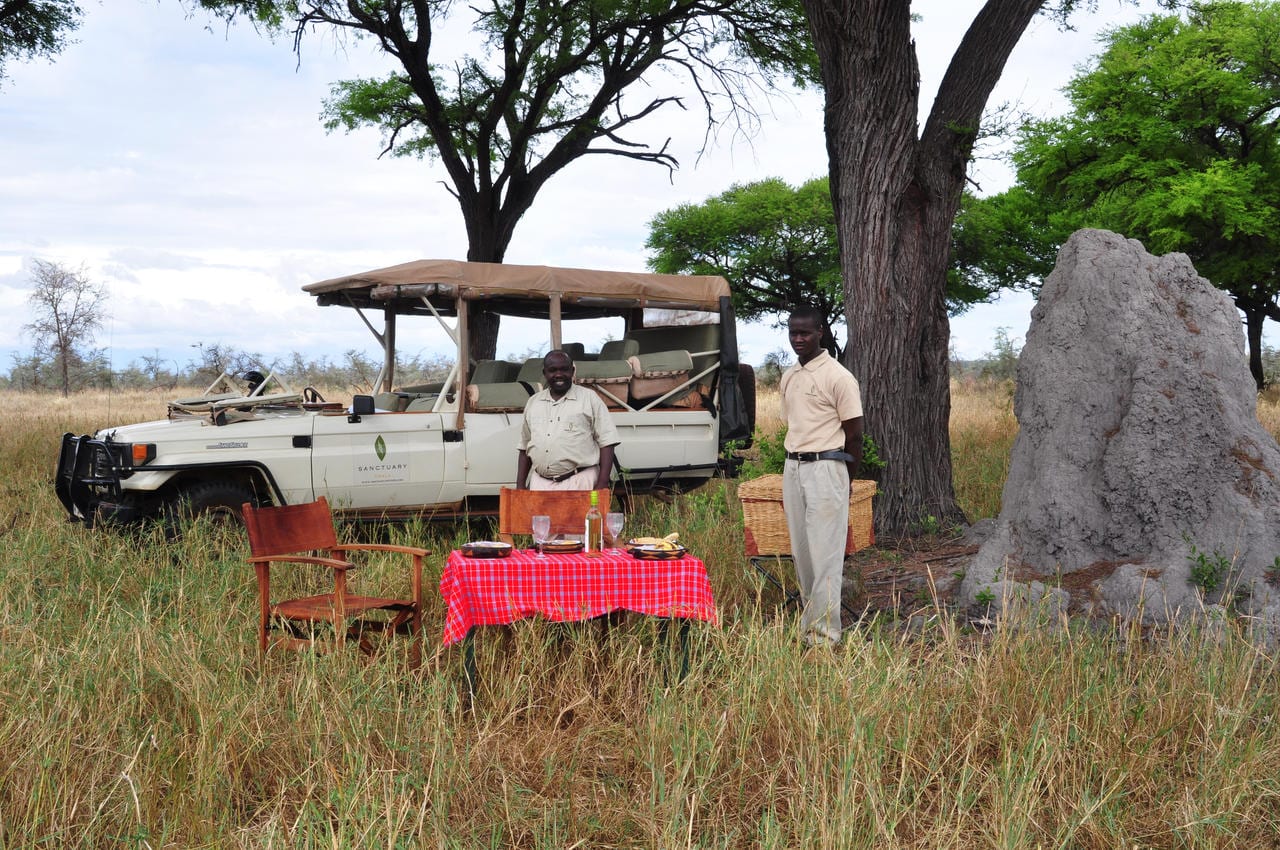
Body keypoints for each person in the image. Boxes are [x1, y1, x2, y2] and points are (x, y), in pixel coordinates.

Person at [780, 305, 863, 648]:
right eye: (793, 332)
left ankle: (826, 638)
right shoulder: (788, 375)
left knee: (826, 554)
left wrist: (846, 479)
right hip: (793, 467)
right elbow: (793, 424)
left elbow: (855, 435)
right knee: (802, 553)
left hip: (828, 468)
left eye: (805, 333)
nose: (798, 339)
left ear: (821, 333)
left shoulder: (838, 377)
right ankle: (809, 628)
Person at [516, 349, 620, 490]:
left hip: (580, 481)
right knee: (539, 514)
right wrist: (520, 486)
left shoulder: (589, 398)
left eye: (564, 369)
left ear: (572, 371)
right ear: (544, 373)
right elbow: (524, 447)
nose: (559, 374)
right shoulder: (533, 402)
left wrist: (602, 483)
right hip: (540, 483)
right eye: (553, 370)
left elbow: (607, 442)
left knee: (581, 514)